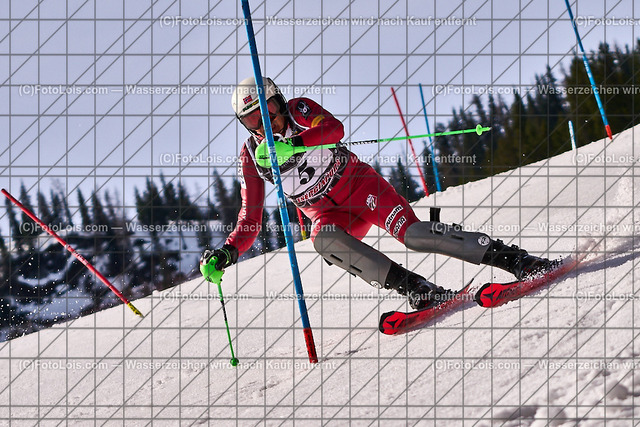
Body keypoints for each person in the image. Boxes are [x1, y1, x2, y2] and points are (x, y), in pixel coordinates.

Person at [200, 77, 554, 310]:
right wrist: (227, 253)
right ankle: (417, 289)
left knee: (414, 235)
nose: (265, 124)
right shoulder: (251, 156)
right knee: (322, 239)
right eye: (252, 120)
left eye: (267, 111)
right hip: (328, 215)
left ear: (277, 101)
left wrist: (294, 144)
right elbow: (250, 217)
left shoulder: (298, 111)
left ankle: (516, 260)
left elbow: (334, 129)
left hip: (360, 187)